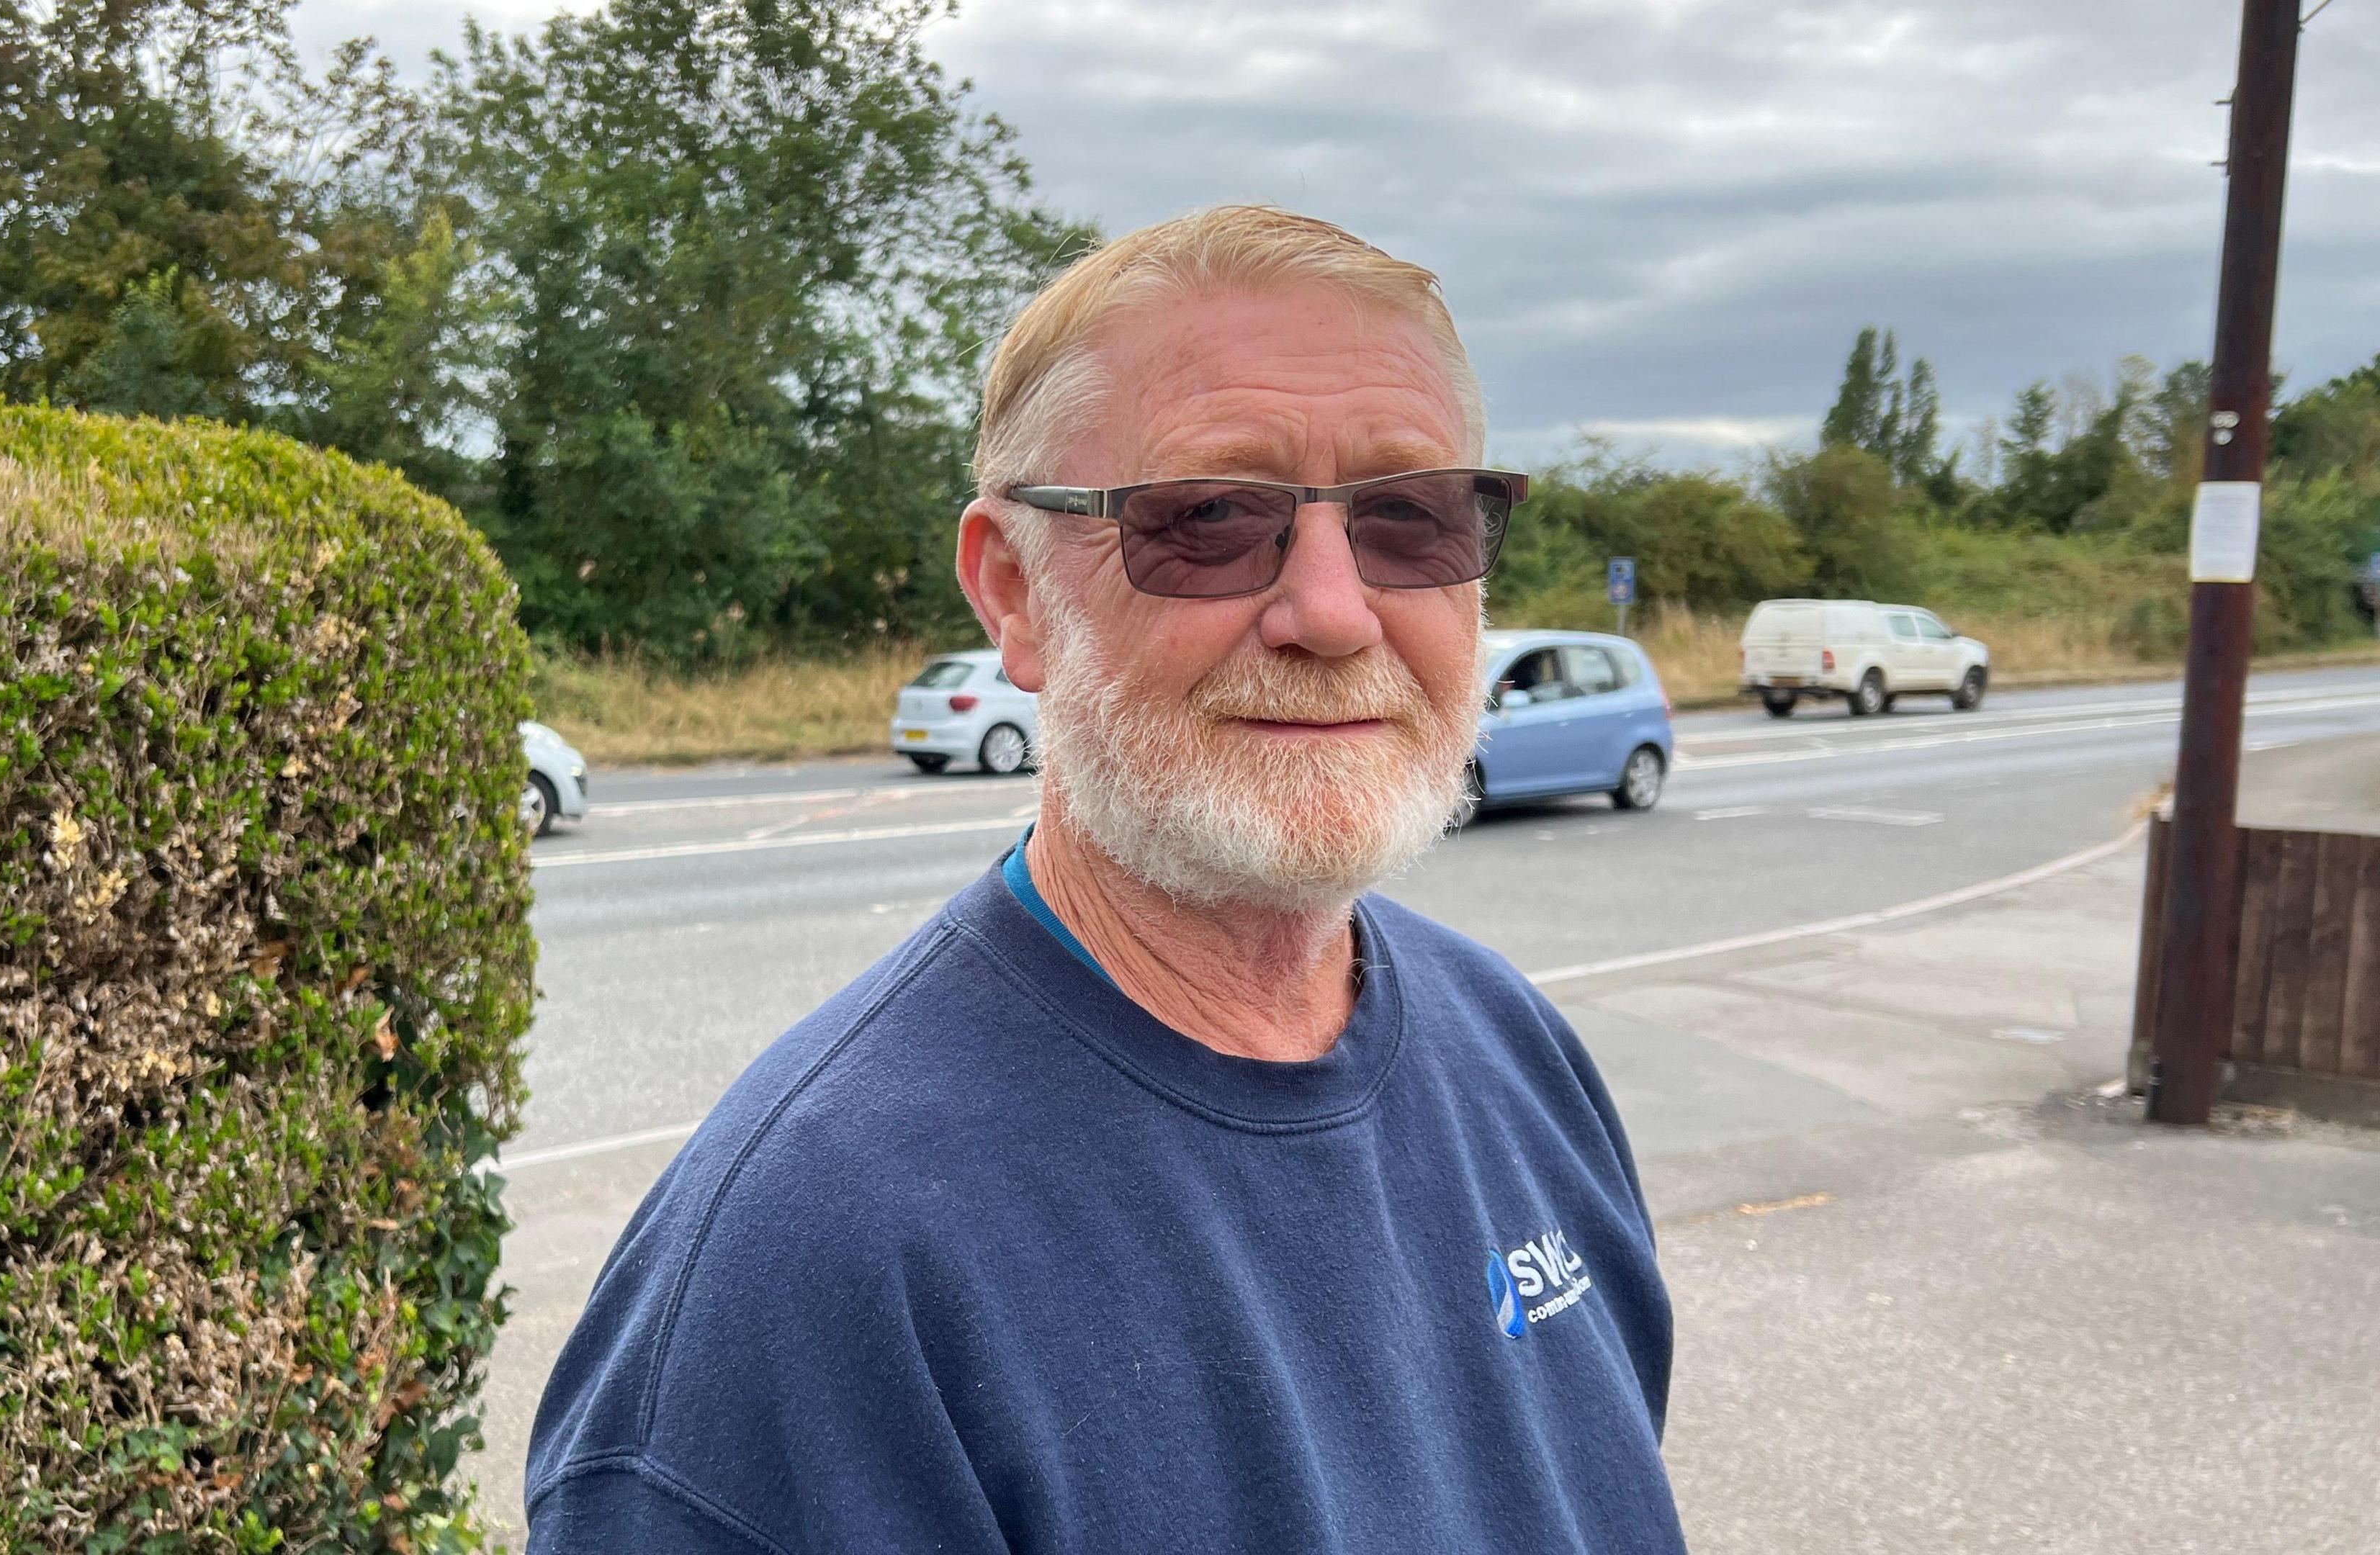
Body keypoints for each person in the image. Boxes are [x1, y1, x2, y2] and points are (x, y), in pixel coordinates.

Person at [521, 205, 1687, 1553]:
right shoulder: (810, 1274)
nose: (1334, 613)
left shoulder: (1518, 1054)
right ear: (1012, 591)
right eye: (1207, 518)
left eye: (1409, 520)